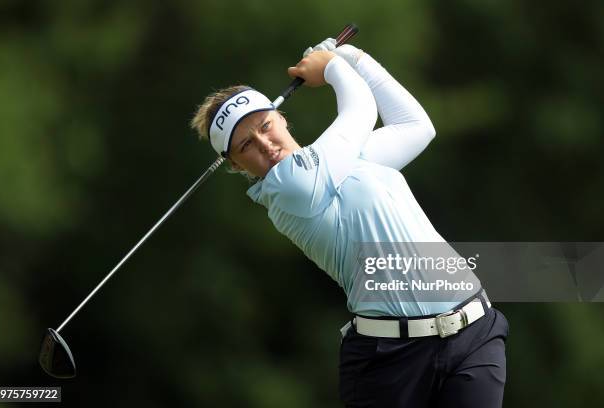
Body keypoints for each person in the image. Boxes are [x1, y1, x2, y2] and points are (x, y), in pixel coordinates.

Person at [191, 40, 509, 408]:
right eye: (246, 144)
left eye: (265, 125)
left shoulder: (347, 161)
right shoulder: (287, 191)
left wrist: (356, 57)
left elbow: (416, 126)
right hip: (391, 360)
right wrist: (333, 69)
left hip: (474, 331)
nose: (264, 143)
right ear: (234, 164)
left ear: (282, 117)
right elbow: (361, 109)